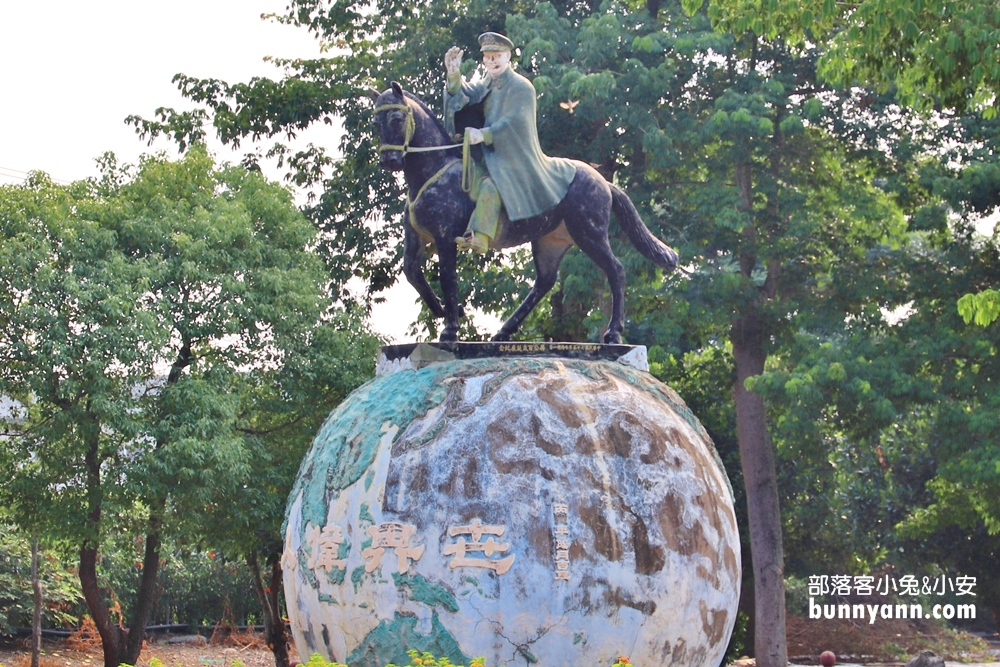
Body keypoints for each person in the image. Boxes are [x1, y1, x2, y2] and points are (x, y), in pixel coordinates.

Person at [444, 32, 576, 252]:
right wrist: (454, 74)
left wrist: (484, 134)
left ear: (508, 57)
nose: (491, 61)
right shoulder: (487, 82)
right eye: (487, 57)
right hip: (489, 155)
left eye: (496, 56)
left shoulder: (522, 87)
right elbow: (465, 94)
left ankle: (481, 237)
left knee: (490, 185)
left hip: (514, 158)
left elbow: (515, 123)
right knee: (456, 179)